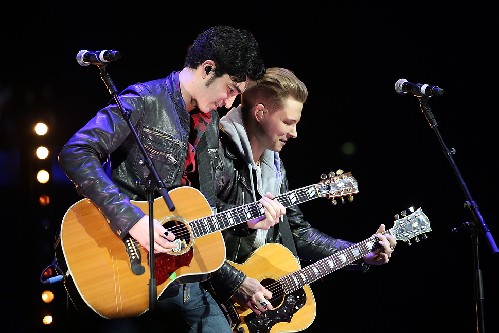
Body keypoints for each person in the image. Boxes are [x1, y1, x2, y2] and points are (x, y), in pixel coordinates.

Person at [57, 26, 286, 333]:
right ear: (208, 69)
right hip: (127, 268)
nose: (230, 103)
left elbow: (201, 209)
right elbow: (76, 152)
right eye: (231, 89)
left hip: (185, 278)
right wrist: (133, 220)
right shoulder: (144, 100)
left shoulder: (209, 124)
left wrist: (248, 218)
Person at [205, 67, 398, 324]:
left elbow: (296, 231)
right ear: (260, 113)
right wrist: (236, 281)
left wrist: (359, 252)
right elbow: (194, 229)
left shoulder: (275, 166)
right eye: (288, 122)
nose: (295, 133)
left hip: (252, 304)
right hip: (210, 293)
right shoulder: (213, 151)